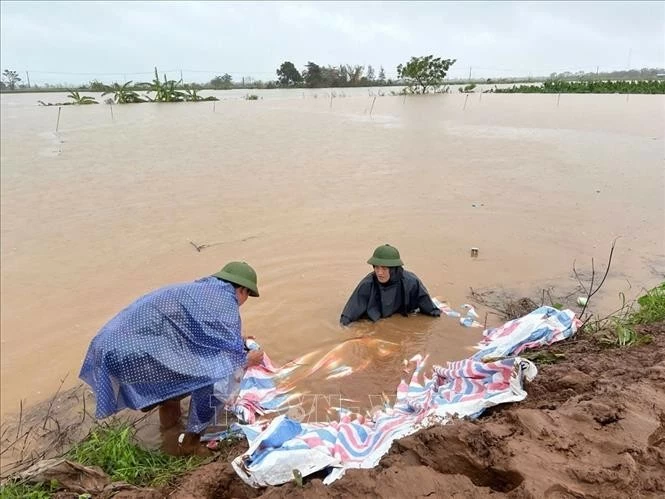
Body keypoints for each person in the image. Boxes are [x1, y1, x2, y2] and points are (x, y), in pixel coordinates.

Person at [79, 261, 263, 455]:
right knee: (216, 380)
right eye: (247, 295)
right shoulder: (226, 302)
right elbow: (227, 363)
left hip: (108, 344)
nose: (244, 300)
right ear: (242, 290)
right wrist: (248, 360)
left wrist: (237, 340)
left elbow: (196, 333)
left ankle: (169, 433)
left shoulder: (200, 291)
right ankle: (191, 442)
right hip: (135, 351)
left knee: (175, 382)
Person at [340, 244, 441, 326]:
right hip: (375, 323)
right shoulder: (367, 284)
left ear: (394, 269)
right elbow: (349, 313)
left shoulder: (411, 281)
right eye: (377, 268)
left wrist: (436, 314)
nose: (379, 273)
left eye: (384, 268)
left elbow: (427, 305)